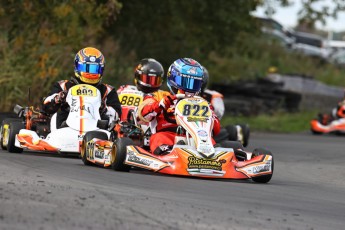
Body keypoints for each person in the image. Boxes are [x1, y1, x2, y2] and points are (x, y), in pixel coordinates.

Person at [139, 58, 221, 155]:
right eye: (186, 82)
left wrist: (210, 117)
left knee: (211, 141)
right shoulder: (157, 96)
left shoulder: (202, 103)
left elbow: (216, 130)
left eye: (194, 83)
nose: (190, 88)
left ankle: (212, 154)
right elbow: (143, 114)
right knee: (158, 138)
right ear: (173, 79)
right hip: (167, 135)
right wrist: (161, 105)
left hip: (195, 138)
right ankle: (170, 153)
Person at [43, 47, 122, 129]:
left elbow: (116, 115)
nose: (90, 73)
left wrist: (103, 108)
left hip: (97, 132)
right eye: (86, 68)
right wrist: (58, 98)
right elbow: (45, 106)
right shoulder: (64, 86)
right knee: (57, 116)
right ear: (77, 66)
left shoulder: (107, 91)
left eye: (94, 69)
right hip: (66, 128)